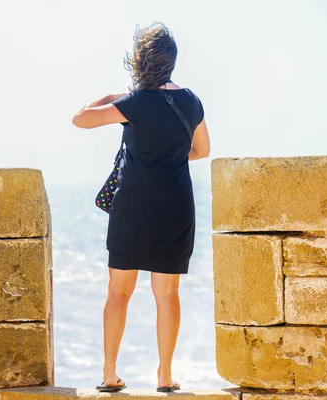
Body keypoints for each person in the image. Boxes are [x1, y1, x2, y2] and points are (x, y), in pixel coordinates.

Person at [71, 22, 211, 393]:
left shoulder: (134, 102)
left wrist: (114, 95)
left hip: (133, 206)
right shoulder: (191, 101)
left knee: (119, 292)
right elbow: (202, 150)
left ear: (141, 61)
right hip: (176, 206)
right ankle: (164, 376)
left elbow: (81, 118)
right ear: (171, 61)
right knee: (167, 295)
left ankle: (109, 374)